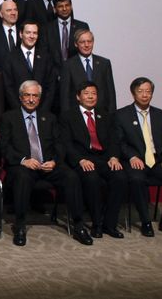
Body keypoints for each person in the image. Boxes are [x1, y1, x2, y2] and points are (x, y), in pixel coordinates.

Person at [0, 81, 92, 247]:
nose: (31, 99)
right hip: (23, 166)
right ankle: (20, 226)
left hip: (48, 165)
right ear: (20, 97)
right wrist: (23, 160)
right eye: (27, 95)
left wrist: (55, 161)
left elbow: (60, 144)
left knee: (71, 176)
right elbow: (3, 147)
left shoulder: (49, 118)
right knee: (22, 177)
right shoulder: (9, 117)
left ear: (39, 99)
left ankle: (78, 225)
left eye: (35, 96)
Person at [114, 77, 162, 237]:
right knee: (137, 179)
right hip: (134, 161)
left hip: (158, 161)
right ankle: (145, 221)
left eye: (148, 91)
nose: (144, 95)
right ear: (133, 93)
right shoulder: (121, 115)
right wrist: (132, 156)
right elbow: (119, 142)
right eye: (140, 91)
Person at [60, 81, 127, 239]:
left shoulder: (105, 115)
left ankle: (109, 224)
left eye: (94, 93)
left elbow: (113, 141)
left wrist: (114, 157)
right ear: (78, 96)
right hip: (83, 159)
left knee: (120, 177)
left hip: (104, 158)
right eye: (86, 93)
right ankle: (96, 224)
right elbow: (65, 143)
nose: (90, 96)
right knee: (92, 179)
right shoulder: (68, 116)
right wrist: (80, 160)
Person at [2, 21, 57, 115]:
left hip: (42, 113)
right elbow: (8, 87)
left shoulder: (46, 57)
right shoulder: (10, 57)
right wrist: (19, 111)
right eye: (28, 33)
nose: (31, 36)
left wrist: (43, 110)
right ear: (20, 34)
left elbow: (51, 86)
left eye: (35, 33)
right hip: (18, 113)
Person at [59, 29, 116, 115]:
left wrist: (112, 116)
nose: (86, 45)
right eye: (82, 42)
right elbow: (65, 96)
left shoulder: (104, 63)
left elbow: (110, 94)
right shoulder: (68, 65)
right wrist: (67, 118)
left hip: (102, 115)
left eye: (89, 41)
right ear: (76, 44)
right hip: (77, 116)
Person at [40, 0, 89, 68]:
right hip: (53, 73)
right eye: (60, 6)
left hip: (77, 71)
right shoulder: (46, 28)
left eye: (67, 5)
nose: (64, 9)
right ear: (55, 9)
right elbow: (44, 53)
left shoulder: (82, 26)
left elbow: (85, 50)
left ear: (71, 7)